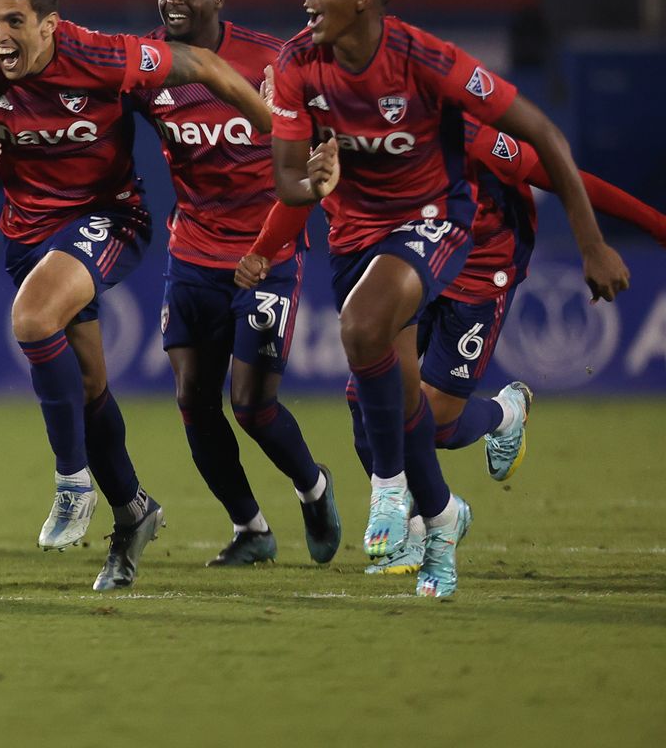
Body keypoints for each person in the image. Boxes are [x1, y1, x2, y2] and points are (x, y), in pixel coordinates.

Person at [266, 0, 628, 598]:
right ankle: (443, 518)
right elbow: (287, 179)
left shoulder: (426, 61)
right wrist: (311, 179)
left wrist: (592, 243)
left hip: (440, 224)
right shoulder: (296, 65)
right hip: (358, 238)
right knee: (399, 404)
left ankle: (388, 495)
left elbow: (544, 138)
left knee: (363, 335)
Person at [0, 0, 274, 592]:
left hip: (110, 217)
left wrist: (286, 135)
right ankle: (133, 510)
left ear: (50, 24)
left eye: (14, 20)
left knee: (31, 315)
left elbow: (208, 66)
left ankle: (73, 481)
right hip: (28, 237)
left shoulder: (103, 56)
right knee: (91, 386)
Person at [239, 112, 666, 571]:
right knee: (369, 398)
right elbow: (304, 194)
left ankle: (505, 413)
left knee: (436, 422)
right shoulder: (341, 141)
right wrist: (263, 249)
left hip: (481, 266)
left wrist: (649, 230)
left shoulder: (462, 134)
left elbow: (566, 178)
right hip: (410, 261)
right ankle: (414, 528)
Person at [122, 0, 341, 568]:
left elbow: (321, 144)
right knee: (193, 397)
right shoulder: (149, 65)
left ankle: (314, 487)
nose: (172, 1)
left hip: (264, 253)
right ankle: (251, 529)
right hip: (191, 252)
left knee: (251, 404)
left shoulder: (274, 61)